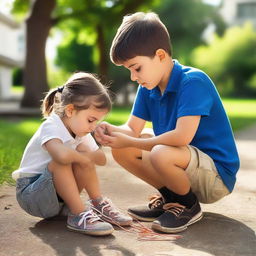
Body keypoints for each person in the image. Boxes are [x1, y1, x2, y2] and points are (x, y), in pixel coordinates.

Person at [94, 12, 240, 234]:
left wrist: (131, 140)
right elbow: (132, 129)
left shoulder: (193, 82)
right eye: (129, 70)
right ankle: (173, 199)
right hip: (182, 163)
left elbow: (182, 137)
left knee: (159, 151)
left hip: (215, 176)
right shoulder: (148, 87)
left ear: (160, 55)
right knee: (123, 149)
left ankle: (188, 206)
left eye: (137, 67)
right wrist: (110, 131)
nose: (134, 77)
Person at [12, 72, 132, 236]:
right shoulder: (52, 125)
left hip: (56, 200)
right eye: (91, 120)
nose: (93, 126)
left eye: (97, 121)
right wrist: (85, 157)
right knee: (65, 160)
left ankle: (97, 205)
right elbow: (61, 156)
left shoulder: (81, 130)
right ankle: (78, 214)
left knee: (82, 155)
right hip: (31, 195)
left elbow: (102, 160)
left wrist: (95, 148)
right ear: (70, 110)